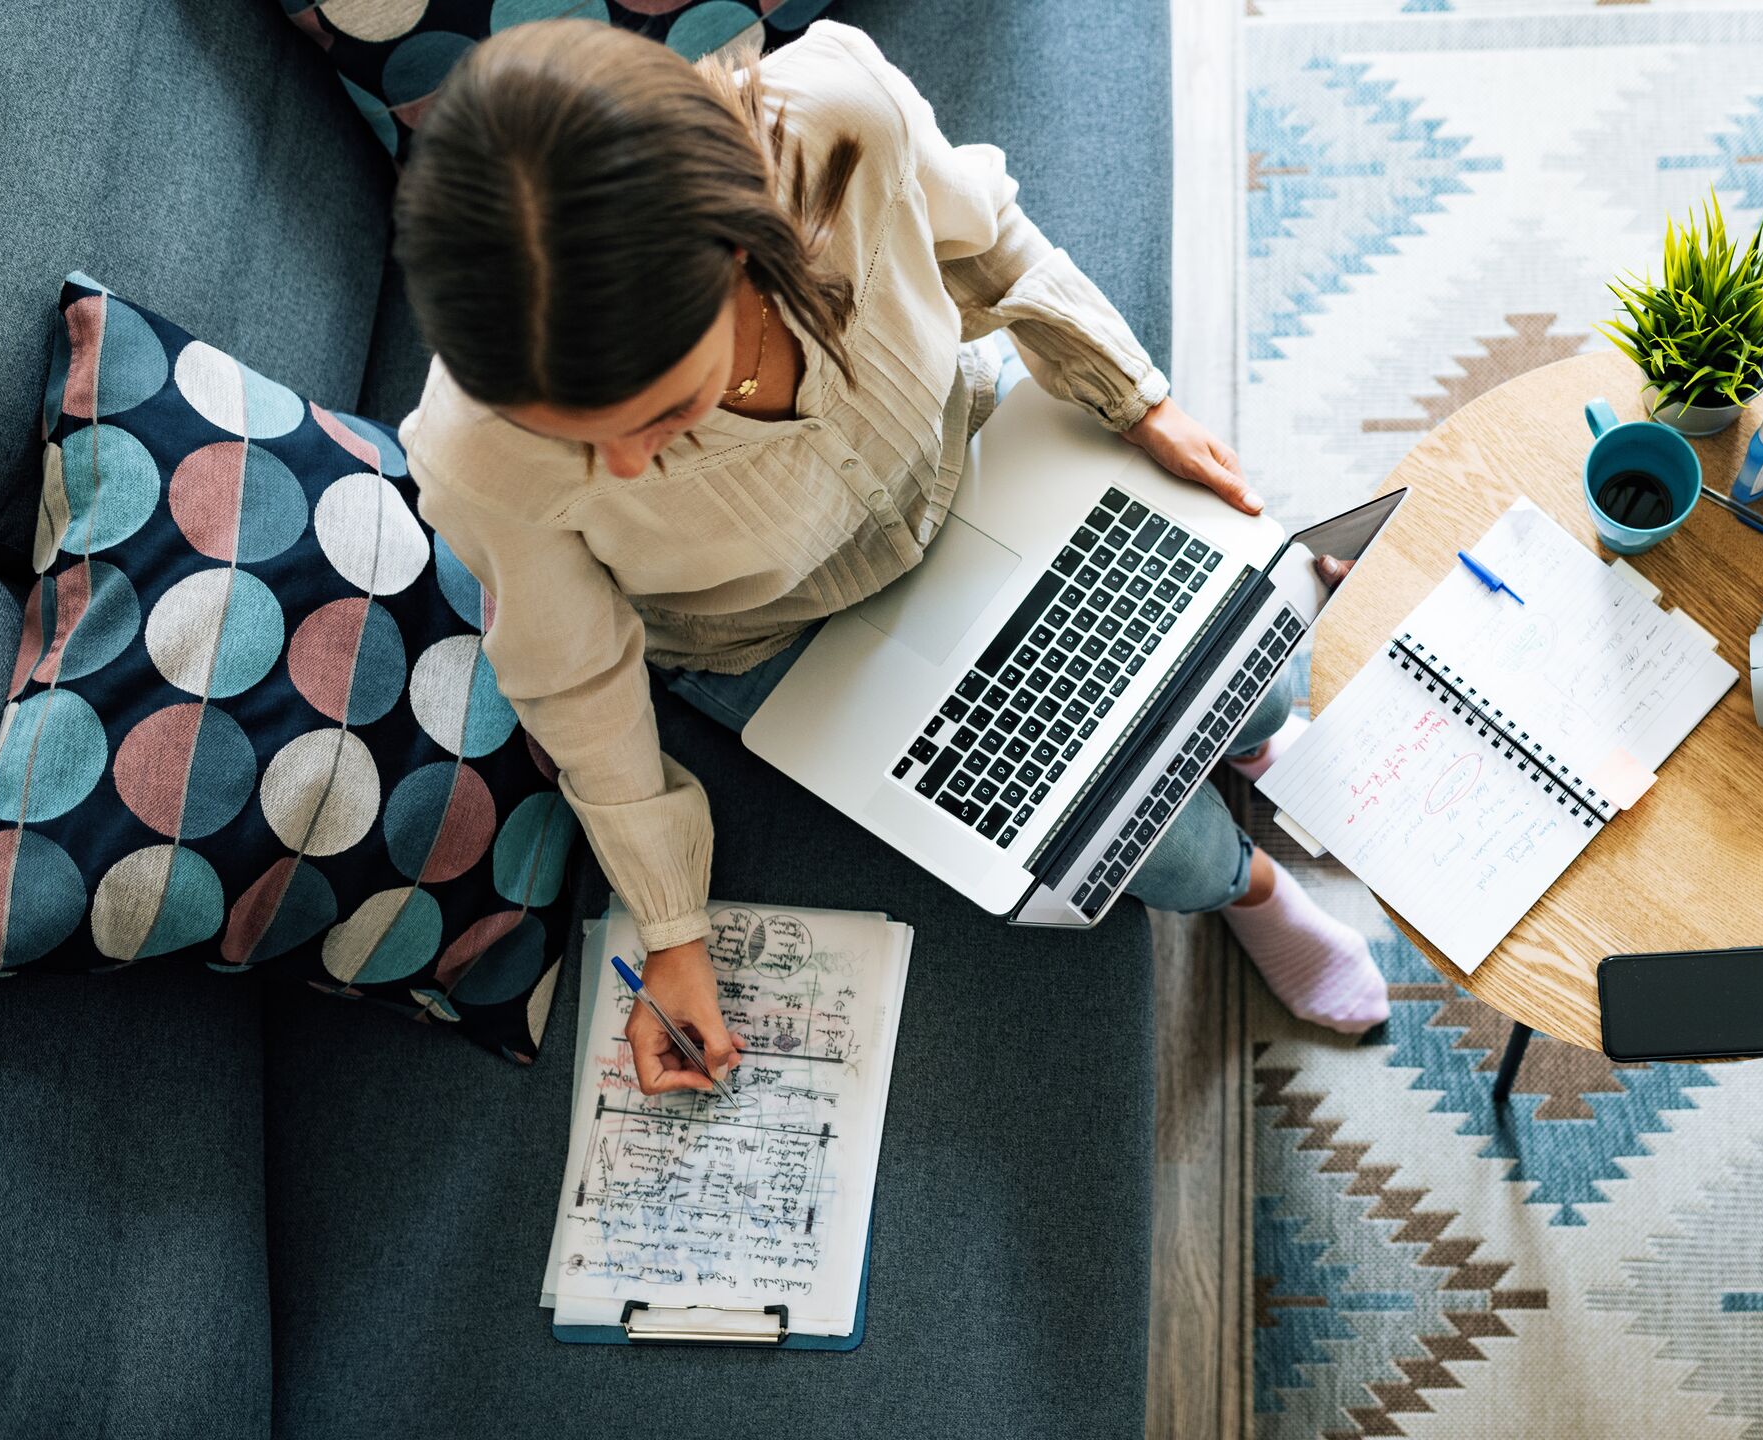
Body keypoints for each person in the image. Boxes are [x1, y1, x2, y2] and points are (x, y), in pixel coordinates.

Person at [392, 19, 1386, 1092]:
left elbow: (992, 242)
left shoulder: (839, 115)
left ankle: (1252, 751)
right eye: (576, 437)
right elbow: (576, 680)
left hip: (975, 465)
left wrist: (1139, 403)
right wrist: (670, 930)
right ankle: (1252, 891)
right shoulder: (474, 459)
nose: (623, 473)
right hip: (774, 641)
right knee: (1164, 853)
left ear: (740, 249)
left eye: (666, 413)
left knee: (1262, 687)